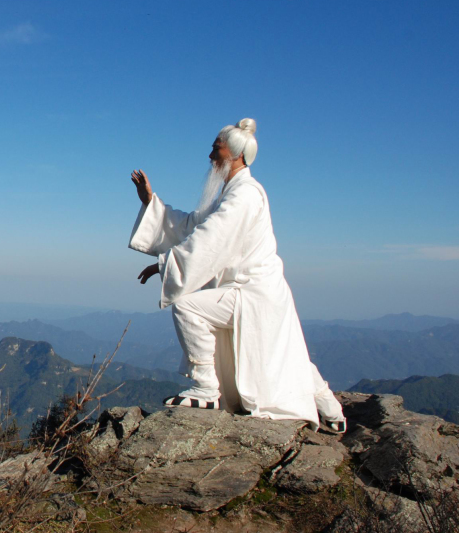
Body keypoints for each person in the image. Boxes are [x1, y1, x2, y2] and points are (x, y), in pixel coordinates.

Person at [128, 118, 346, 432]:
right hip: (262, 293)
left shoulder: (244, 196)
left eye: (216, 148)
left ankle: (206, 388)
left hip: (253, 293)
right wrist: (151, 201)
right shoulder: (232, 195)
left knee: (188, 307)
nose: (210, 155)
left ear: (236, 155)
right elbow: (193, 226)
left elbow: (210, 240)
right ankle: (334, 413)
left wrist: (164, 264)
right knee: (288, 352)